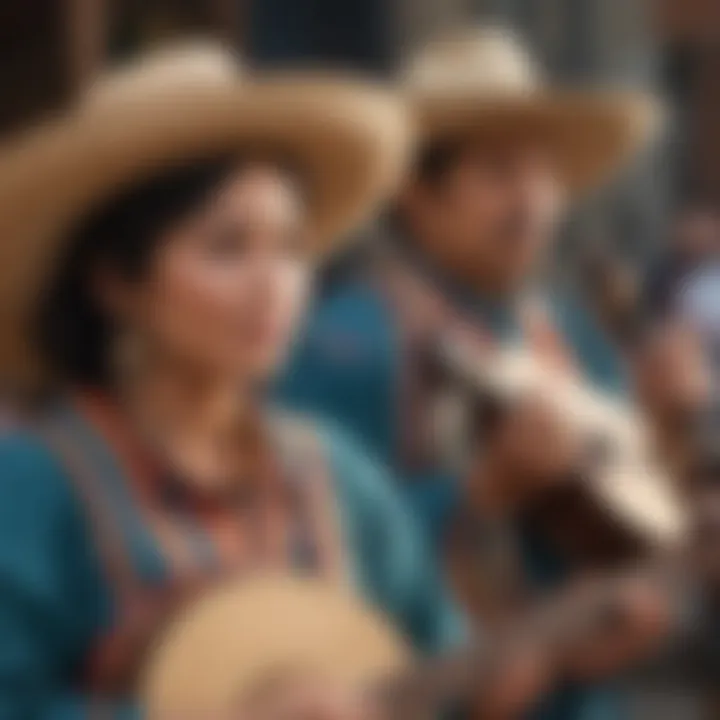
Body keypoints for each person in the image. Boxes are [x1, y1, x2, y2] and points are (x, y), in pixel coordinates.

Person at [0, 42, 478, 719]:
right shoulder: (33, 484)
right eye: (227, 248)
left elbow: (439, 655)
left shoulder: (335, 475)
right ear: (114, 284)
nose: (273, 287)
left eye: (290, 248)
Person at [280, 27, 668, 718]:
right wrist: (483, 493)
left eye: (543, 173)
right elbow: (312, 553)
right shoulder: (345, 343)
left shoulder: (565, 328)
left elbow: (636, 508)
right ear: (414, 194)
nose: (534, 203)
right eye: (498, 174)